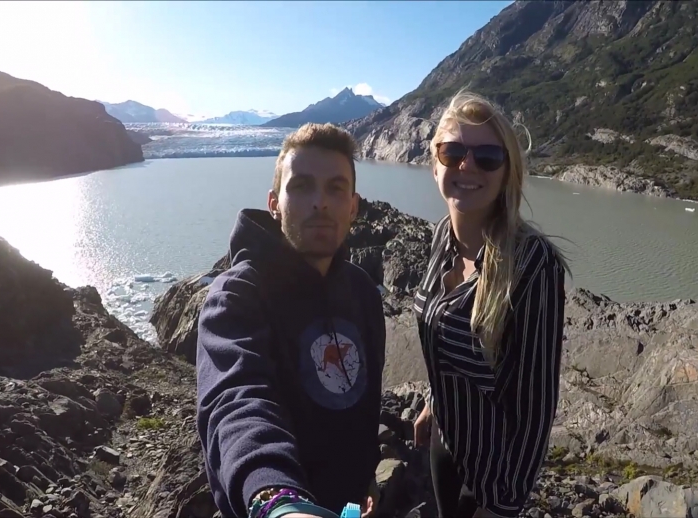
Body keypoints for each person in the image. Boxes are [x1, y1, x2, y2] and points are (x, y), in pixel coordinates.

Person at [195, 123, 385, 518]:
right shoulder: (238, 296)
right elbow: (237, 401)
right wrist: (278, 501)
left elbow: (364, 404)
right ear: (274, 203)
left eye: (336, 188)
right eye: (301, 186)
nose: (320, 202)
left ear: (353, 206)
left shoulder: (362, 292)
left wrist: (365, 476)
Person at [412, 89, 569, 518]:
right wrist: (433, 401)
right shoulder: (442, 235)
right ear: (435, 163)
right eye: (452, 152)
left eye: (487, 157)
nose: (467, 166)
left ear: (506, 173)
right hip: (445, 447)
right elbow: (442, 332)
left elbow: (536, 404)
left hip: (492, 472)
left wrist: (502, 504)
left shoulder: (532, 263)